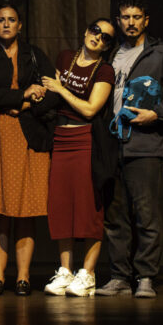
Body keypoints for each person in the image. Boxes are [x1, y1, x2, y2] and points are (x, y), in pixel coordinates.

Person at [96, 0, 163, 299]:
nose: (131, 22)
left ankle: (146, 277)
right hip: (113, 145)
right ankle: (119, 276)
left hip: (146, 145)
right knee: (115, 217)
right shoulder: (110, 53)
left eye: (137, 17)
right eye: (125, 17)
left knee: (147, 215)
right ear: (118, 20)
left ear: (146, 20)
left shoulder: (161, 54)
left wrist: (157, 113)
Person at [0, 3, 56, 296]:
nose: (6, 24)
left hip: (30, 139)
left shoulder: (34, 55)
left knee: (26, 210)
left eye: (12, 20)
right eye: (1, 20)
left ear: (20, 25)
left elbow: (52, 94)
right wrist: (21, 95)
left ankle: (24, 277)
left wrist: (28, 103)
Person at [38, 18, 117, 297]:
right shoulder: (65, 57)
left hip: (85, 140)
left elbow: (90, 109)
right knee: (61, 206)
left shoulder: (105, 70)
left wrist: (62, 89)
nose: (98, 38)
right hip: (60, 138)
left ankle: (88, 273)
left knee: (88, 208)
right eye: (95, 31)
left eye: (105, 38)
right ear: (85, 31)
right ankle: (65, 271)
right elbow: (50, 95)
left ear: (108, 46)